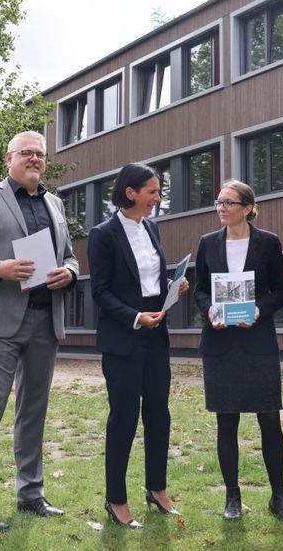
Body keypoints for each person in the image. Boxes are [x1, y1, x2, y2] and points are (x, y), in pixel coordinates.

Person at [0, 130, 79, 531]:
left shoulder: (55, 203)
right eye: (27, 153)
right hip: (2, 322)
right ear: (9, 158)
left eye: (40, 154)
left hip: (44, 319)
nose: (35, 159)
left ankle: (31, 494)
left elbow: (71, 257)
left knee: (34, 410)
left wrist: (69, 274)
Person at [87, 163, 189, 528]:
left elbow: (151, 276)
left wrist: (172, 288)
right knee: (124, 418)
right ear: (130, 192)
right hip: (124, 338)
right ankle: (116, 499)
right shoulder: (102, 234)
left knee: (159, 415)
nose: (157, 198)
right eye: (152, 191)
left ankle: (157, 489)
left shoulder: (153, 227)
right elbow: (100, 291)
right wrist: (134, 316)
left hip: (156, 335)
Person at [194, 179, 283, 523]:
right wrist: (209, 309)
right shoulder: (207, 242)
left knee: (270, 419)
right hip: (220, 343)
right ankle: (232, 498)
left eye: (229, 203)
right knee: (227, 421)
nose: (222, 208)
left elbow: (281, 291)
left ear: (248, 207)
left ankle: (278, 498)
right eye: (219, 203)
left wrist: (258, 310)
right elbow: (200, 291)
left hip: (258, 344)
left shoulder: (268, 243)